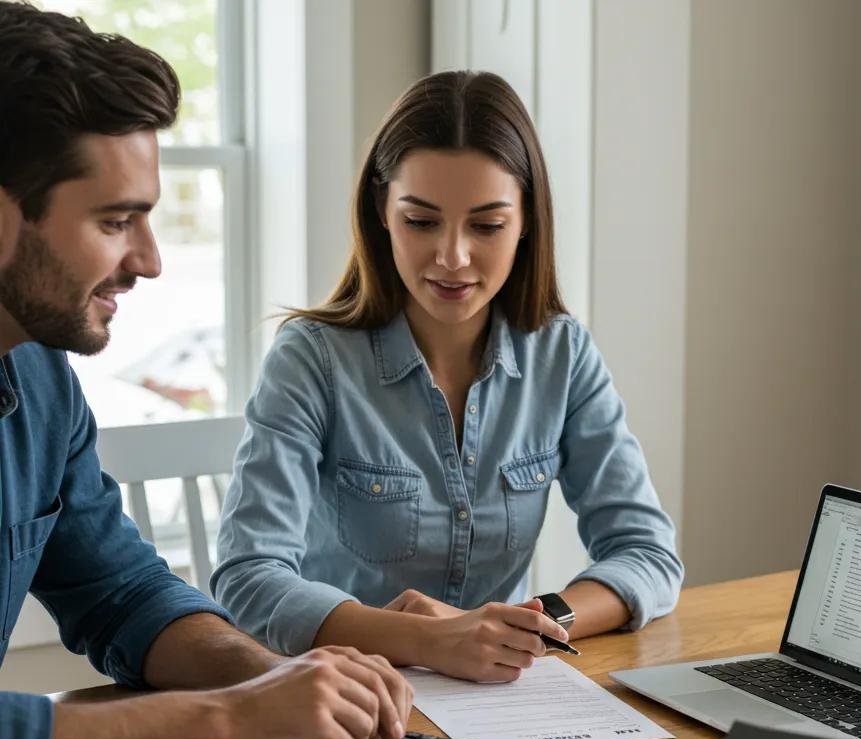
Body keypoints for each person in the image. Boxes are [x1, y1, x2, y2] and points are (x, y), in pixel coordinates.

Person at [0, 1, 413, 739]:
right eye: (117, 221)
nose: (149, 262)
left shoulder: (41, 378)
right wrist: (228, 717)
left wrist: (280, 679)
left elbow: (121, 593)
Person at [214, 71, 684, 683]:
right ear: (382, 213)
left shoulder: (561, 353)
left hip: (498, 697)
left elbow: (646, 554)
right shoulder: (312, 359)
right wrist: (430, 638)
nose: (453, 257)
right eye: (421, 222)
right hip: (337, 697)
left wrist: (525, 627)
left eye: (487, 226)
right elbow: (248, 580)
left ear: (526, 224)